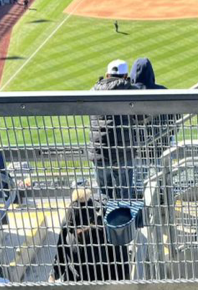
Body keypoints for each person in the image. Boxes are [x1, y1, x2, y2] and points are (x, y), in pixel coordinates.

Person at [50, 188, 129, 282]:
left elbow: (120, 259)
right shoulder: (67, 224)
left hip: (102, 277)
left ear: (91, 223)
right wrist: (52, 276)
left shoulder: (105, 224)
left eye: (82, 230)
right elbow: (60, 254)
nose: (78, 233)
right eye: (75, 231)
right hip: (76, 278)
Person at [90, 59, 143, 200]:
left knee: (103, 196)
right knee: (125, 195)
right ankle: (124, 221)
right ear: (126, 76)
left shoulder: (94, 90)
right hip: (123, 153)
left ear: (107, 75)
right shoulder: (131, 90)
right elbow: (142, 116)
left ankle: (105, 220)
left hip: (99, 152)